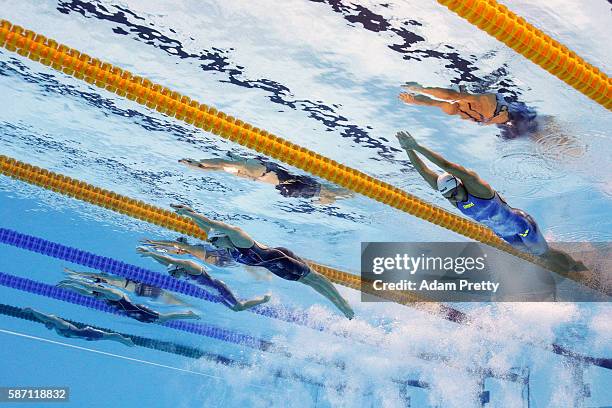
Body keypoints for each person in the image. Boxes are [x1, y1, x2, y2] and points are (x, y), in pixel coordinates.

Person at [396, 130, 586, 274]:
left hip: (521, 225)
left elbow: (446, 166)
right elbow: (425, 174)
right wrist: (408, 150)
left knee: (545, 254)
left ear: (459, 183)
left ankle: (576, 267)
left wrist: (417, 146)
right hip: (506, 236)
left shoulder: (478, 188)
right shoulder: (453, 197)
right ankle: (565, 272)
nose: (452, 199)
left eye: (453, 193)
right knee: (536, 258)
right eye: (448, 197)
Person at [169, 203, 355, 319]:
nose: (212, 243)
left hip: (278, 257)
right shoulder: (226, 246)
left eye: (214, 240)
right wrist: (191, 216)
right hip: (273, 267)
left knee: (315, 278)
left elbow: (215, 225)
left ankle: (342, 302)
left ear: (223, 236)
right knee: (307, 283)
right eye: (212, 241)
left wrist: (190, 214)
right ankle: (338, 304)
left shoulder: (238, 237)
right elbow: (208, 229)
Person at [136, 247, 271, 312]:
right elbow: (166, 263)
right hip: (214, 293)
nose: (173, 278)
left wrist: (151, 252)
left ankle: (264, 299)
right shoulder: (181, 271)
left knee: (238, 307)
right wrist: (149, 255)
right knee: (236, 308)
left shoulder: (192, 268)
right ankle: (261, 299)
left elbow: (170, 260)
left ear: (179, 268)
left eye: (173, 274)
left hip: (219, 289)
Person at [179, 154, 352, 204]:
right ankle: (345, 194)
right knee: (328, 193)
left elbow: (221, 163)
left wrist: (199, 162)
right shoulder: (239, 168)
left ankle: (351, 192)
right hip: (288, 184)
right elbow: (218, 167)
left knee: (329, 192)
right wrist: (196, 165)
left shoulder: (248, 166)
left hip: (292, 181)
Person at [399, 83, 539, 139]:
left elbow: (448, 96)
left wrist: (420, 91)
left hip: (514, 115)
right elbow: (436, 102)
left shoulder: (476, 99)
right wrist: (416, 99)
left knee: (539, 132)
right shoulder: (456, 109)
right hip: (505, 124)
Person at [57, 279, 200, 323]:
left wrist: (72, 281)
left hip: (139, 310)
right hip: (136, 315)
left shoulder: (112, 293)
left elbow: (88, 287)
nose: (96, 296)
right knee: (161, 320)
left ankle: (188, 314)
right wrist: (70, 286)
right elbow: (85, 292)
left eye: (97, 293)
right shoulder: (103, 295)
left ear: (100, 290)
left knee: (164, 318)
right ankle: (187, 313)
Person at [140, 237, 272, 281]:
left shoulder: (194, 250)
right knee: (250, 265)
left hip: (221, 260)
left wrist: (155, 244)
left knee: (250, 265)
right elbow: (173, 249)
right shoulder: (194, 250)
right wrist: (155, 245)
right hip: (220, 259)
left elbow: (173, 249)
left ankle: (265, 273)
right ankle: (265, 273)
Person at [63, 267, 190, 306]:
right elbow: (89, 283)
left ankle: (184, 304)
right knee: (169, 298)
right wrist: (74, 277)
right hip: (141, 290)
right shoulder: (111, 283)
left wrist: (74, 278)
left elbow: (88, 284)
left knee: (169, 298)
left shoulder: (113, 282)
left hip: (140, 290)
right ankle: (185, 304)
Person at [23, 307, 134, 346]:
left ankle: (125, 340)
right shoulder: (58, 330)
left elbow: (46, 318)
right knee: (110, 338)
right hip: (86, 337)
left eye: (47, 323)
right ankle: (124, 341)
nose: (46, 325)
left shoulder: (60, 324)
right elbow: (46, 320)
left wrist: (33, 311)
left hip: (87, 333)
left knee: (111, 336)